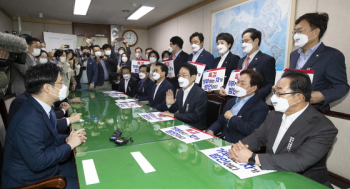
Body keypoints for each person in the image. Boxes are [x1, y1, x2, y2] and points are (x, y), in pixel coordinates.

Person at [229, 70, 338, 187]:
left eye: (279, 93)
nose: (273, 98)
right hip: (274, 177)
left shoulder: (323, 128)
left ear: (299, 97)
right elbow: (257, 137)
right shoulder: (274, 115)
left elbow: (299, 160)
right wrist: (239, 147)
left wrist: (253, 158)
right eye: (274, 92)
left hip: (305, 183)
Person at [2, 63, 87, 188]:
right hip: (31, 181)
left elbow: (48, 138)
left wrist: (67, 138)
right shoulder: (28, 119)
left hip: (47, 169)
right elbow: (38, 163)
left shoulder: (42, 106)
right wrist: (69, 145)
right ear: (47, 88)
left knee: (85, 171)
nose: (63, 87)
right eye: (60, 83)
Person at [289, 12, 349, 110]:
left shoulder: (332, 55)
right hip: (292, 109)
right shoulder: (294, 54)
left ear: (316, 32)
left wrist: (322, 95)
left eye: (300, 31)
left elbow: (342, 86)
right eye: (295, 32)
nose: (296, 35)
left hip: (315, 112)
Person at [206, 70, 269, 143]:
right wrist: (211, 131)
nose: (238, 85)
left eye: (243, 83)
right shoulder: (231, 101)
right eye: (238, 82)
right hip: (222, 140)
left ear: (253, 88)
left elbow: (251, 130)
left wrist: (232, 118)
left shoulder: (260, 107)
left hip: (240, 145)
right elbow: (220, 121)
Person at [8, 89, 82, 132]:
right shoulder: (23, 102)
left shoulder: (34, 98)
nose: (60, 87)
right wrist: (68, 119)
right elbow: (45, 126)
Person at [161, 64, 208, 130]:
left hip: (195, 128)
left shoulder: (200, 94)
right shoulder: (180, 91)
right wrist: (169, 105)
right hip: (181, 125)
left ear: (193, 77)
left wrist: (174, 115)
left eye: (184, 75)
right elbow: (174, 109)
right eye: (179, 75)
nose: (180, 78)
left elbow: (195, 116)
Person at [235, 28, 275, 100]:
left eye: (246, 41)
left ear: (256, 41)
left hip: (255, 101)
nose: (244, 44)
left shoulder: (267, 60)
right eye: (243, 41)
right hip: (239, 99)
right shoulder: (241, 60)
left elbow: (269, 84)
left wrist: (254, 97)